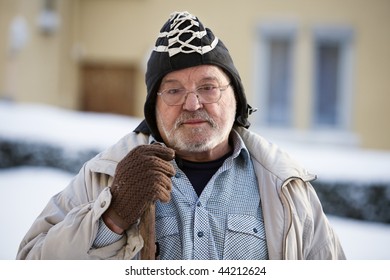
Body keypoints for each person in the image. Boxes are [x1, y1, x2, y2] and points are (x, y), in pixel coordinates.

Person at [17, 11, 345, 260]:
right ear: (153, 109)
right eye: (173, 90)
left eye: (208, 87)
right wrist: (112, 215)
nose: (192, 103)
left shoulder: (283, 184)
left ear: (237, 98)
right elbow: (30, 263)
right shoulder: (105, 175)